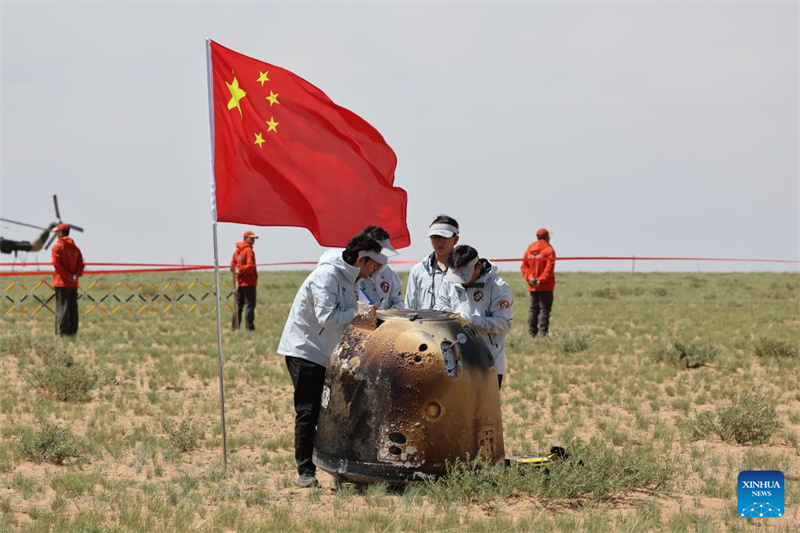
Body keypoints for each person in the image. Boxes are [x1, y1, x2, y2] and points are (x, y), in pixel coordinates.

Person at [277, 234, 387, 488]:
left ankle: (337, 466)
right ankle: (306, 471)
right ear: (361, 260)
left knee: (333, 412)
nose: (375, 271)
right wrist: (363, 314)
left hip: (329, 353)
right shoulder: (326, 276)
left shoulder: (352, 278)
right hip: (305, 350)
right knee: (309, 411)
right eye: (373, 265)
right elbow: (327, 317)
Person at [435, 245, 513, 388]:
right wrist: (448, 314)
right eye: (457, 275)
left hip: (487, 361)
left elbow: (504, 324)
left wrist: (472, 320)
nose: (460, 280)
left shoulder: (497, 287)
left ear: (478, 266)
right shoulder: (449, 281)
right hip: (454, 360)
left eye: (464, 275)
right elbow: (439, 305)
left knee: (485, 409)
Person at [404, 215, 460, 309]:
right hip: (425, 323)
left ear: (455, 239)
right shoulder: (418, 270)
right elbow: (410, 306)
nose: (440, 242)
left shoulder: (466, 269)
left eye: (445, 237)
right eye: (435, 237)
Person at [356, 226, 403, 309]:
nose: (380, 264)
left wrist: (392, 312)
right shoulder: (353, 274)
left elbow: (398, 301)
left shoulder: (390, 273)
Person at [521, 228, 556, 337]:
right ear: (546, 237)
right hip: (545, 286)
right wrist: (540, 280)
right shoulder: (549, 250)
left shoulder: (529, 250)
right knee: (544, 310)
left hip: (533, 286)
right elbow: (549, 269)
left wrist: (531, 278)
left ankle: (532, 334)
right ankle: (543, 335)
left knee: (533, 309)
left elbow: (524, 267)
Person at [51, 223, 84, 336]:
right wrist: (75, 275)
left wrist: (68, 276)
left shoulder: (57, 247)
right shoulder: (76, 248)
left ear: (60, 233)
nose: (55, 234)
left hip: (61, 283)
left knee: (62, 309)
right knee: (73, 309)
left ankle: (62, 335)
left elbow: (56, 264)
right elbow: (81, 265)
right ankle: (72, 333)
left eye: (56, 232)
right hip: (73, 284)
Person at [230, 230, 258, 331]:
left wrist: (238, 271)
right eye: (251, 238)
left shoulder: (237, 251)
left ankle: (235, 327)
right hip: (249, 282)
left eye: (254, 238)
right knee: (250, 305)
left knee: (239, 305)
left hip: (239, 282)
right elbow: (250, 266)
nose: (253, 240)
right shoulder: (249, 250)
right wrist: (241, 270)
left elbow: (232, 266)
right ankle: (249, 328)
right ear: (246, 238)